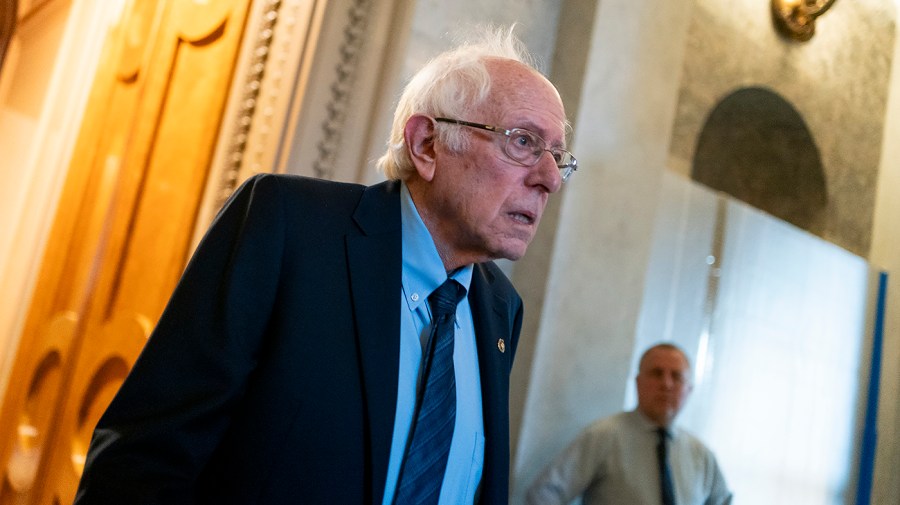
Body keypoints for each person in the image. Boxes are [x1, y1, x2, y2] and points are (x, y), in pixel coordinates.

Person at [73, 25, 576, 505]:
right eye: (524, 142)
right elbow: (143, 459)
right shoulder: (288, 227)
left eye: (558, 155)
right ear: (427, 144)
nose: (550, 179)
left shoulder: (500, 308)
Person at [526, 343, 732, 505]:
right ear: (638, 382)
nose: (666, 384)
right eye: (657, 373)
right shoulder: (603, 436)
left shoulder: (701, 455)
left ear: (688, 390)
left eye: (676, 376)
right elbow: (544, 493)